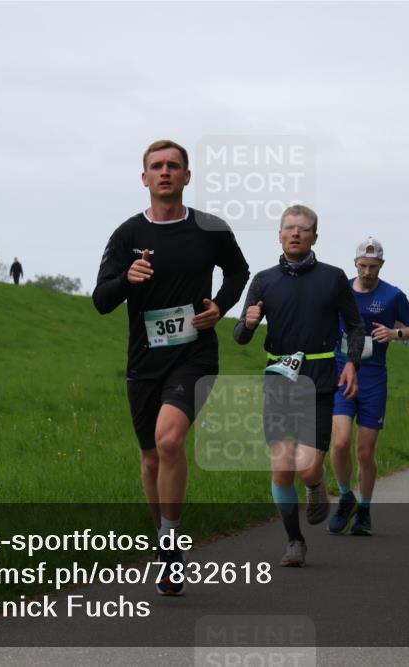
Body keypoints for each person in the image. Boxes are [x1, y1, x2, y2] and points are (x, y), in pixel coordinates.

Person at [93, 139, 250, 594]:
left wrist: (219, 307)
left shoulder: (210, 229)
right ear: (144, 178)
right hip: (144, 359)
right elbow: (101, 300)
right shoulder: (126, 235)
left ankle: (171, 537)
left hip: (194, 353)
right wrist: (127, 279)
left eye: (174, 166)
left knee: (168, 439)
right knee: (149, 459)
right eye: (157, 166)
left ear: (187, 176)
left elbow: (238, 272)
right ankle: (166, 543)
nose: (165, 172)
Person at [234, 204, 364, 566]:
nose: (295, 233)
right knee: (281, 467)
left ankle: (315, 483)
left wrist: (351, 363)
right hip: (278, 382)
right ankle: (295, 541)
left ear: (314, 237)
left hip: (319, 383)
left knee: (307, 467)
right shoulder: (263, 280)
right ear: (279, 235)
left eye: (303, 229)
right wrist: (248, 323)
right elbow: (240, 336)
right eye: (289, 228)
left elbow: (355, 326)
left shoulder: (333, 278)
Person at [328, 237, 409, 534]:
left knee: (365, 451)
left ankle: (364, 510)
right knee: (340, 442)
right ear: (355, 263)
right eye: (363, 266)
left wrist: (395, 333)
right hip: (342, 373)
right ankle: (346, 497)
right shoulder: (340, 290)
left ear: (381, 265)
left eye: (373, 267)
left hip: (373, 377)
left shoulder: (393, 295)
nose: (367, 272)